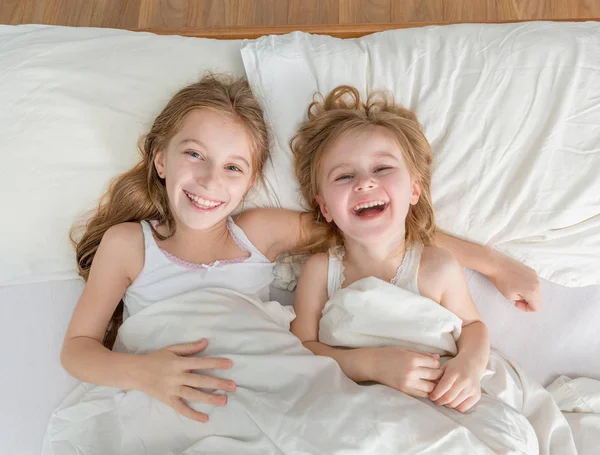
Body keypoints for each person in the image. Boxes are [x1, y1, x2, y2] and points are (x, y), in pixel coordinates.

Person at [62, 75, 541, 425]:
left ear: (251, 181)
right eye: (194, 154)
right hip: (170, 395)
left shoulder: (257, 231)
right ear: (161, 160)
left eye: (233, 167)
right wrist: (144, 374)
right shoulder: (129, 244)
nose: (210, 180)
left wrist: (494, 264)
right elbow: (78, 351)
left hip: (267, 389)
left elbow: (372, 226)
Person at [290, 85, 509, 412]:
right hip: (355, 405)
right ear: (325, 208)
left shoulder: (437, 266)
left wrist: (469, 366)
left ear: (414, 189)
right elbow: (303, 349)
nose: (364, 182)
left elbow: (474, 328)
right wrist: (373, 364)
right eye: (344, 175)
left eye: (382, 169)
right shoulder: (321, 270)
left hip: (438, 398)